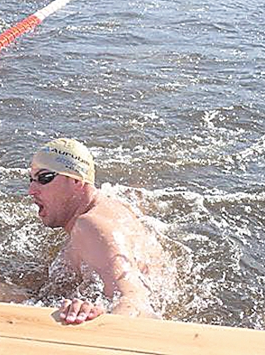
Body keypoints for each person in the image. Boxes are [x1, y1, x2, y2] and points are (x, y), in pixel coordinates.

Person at [28, 138, 166, 324]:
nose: (31, 190)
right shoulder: (112, 206)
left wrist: (97, 317)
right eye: (31, 180)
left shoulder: (91, 226)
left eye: (44, 178)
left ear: (77, 181)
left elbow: (135, 302)